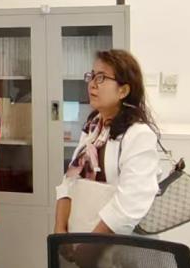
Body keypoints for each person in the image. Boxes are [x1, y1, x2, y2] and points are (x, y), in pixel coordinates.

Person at [55, 49, 159, 237]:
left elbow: (129, 205)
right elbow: (69, 182)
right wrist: (60, 231)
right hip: (78, 237)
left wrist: (89, 247)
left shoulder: (138, 135)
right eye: (92, 76)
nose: (92, 84)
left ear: (123, 90)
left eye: (101, 78)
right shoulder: (93, 126)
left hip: (113, 245)